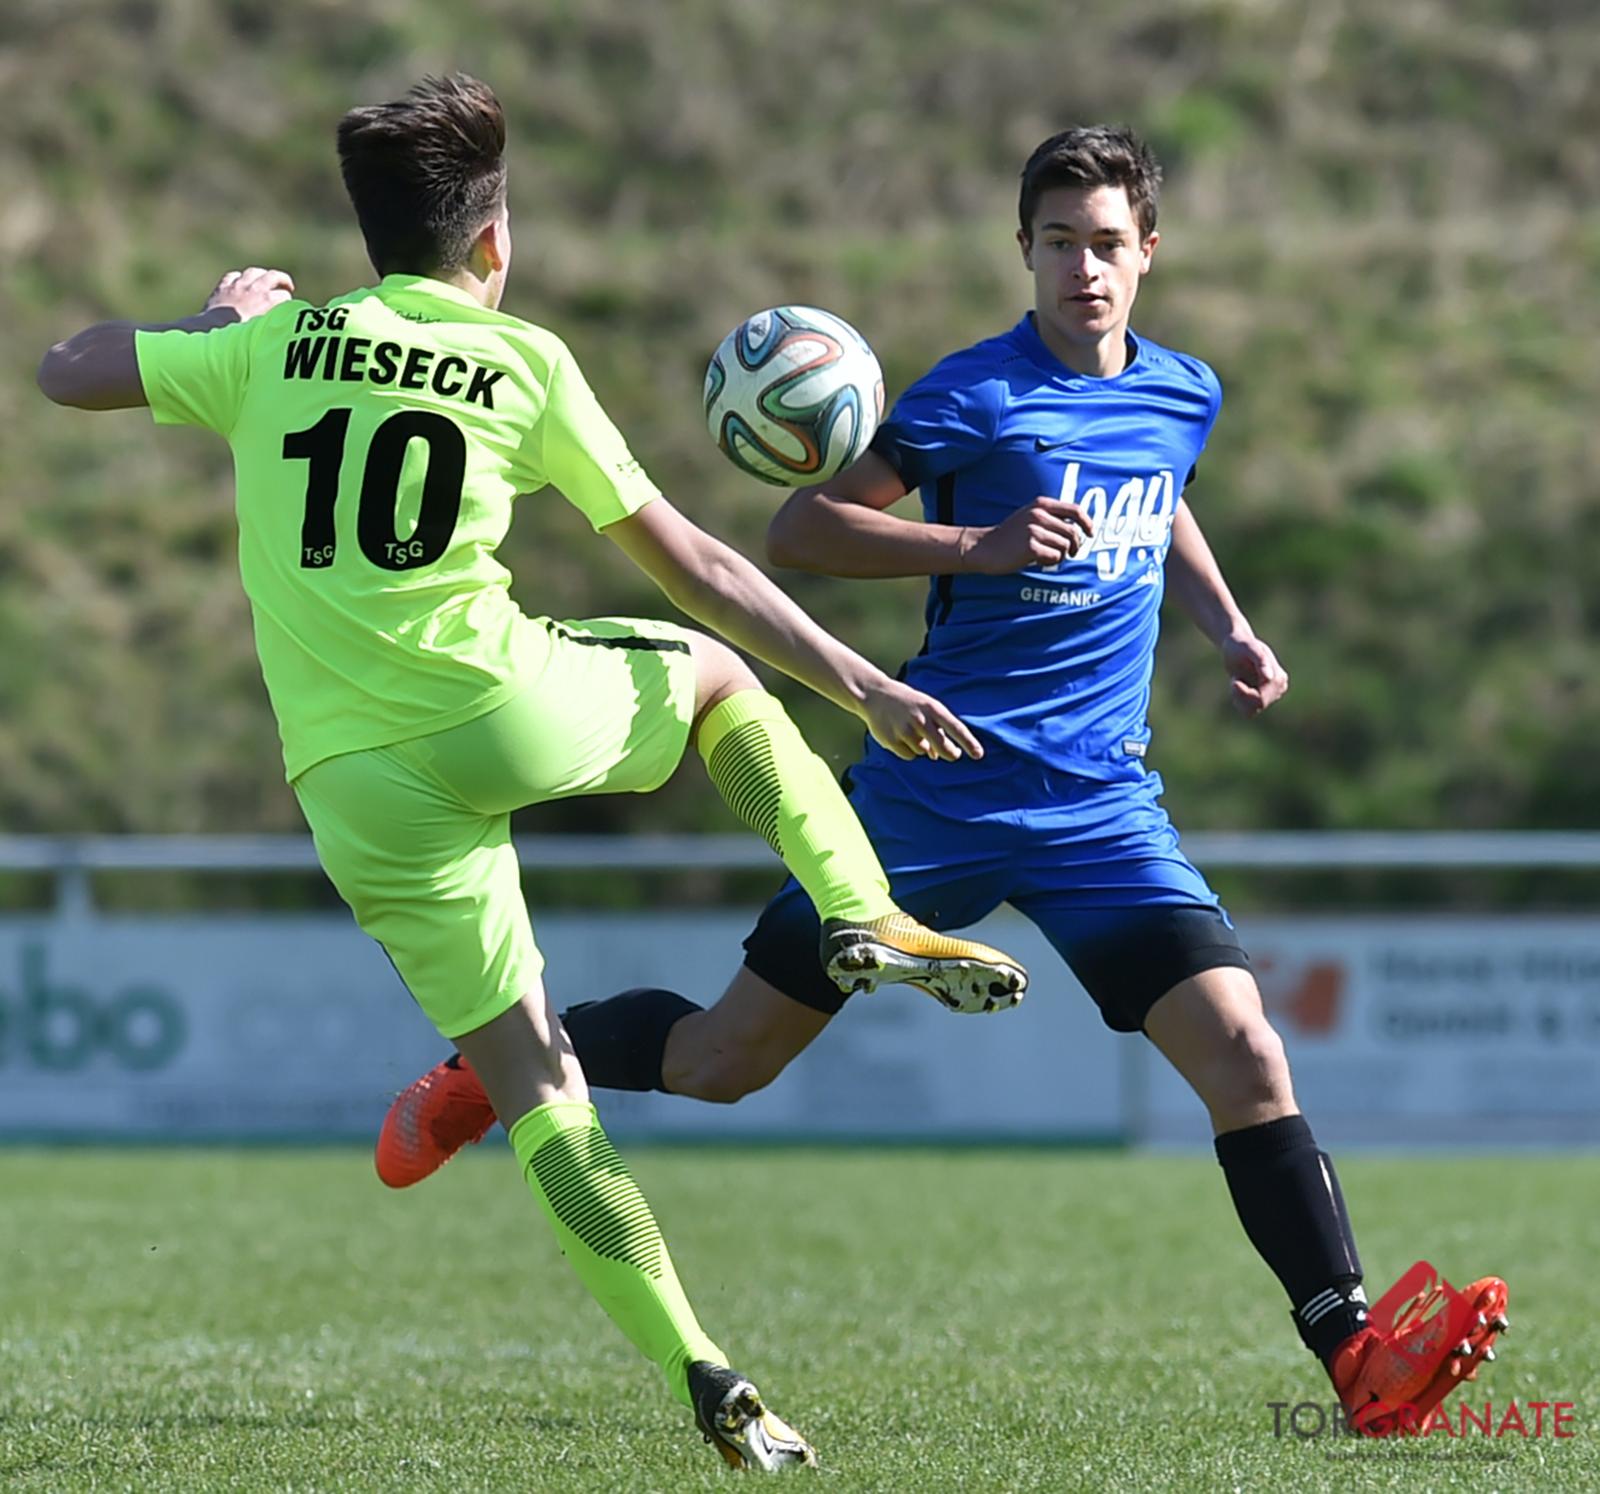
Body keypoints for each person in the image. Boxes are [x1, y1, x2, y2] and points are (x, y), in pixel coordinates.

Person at [380, 123, 1511, 1432]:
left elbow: (1161, 497)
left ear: (1150, 250)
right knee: (722, 1060)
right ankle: (499, 1064)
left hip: (1101, 813)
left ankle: (1357, 1358)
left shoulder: (1184, 390)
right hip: (935, 792)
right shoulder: (974, 393)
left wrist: (1228, 625)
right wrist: (978, 542)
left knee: (1251, 1055)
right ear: (1022, 249)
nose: (1083, 269)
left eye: (1106, 243)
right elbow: (803, 528)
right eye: (1057, 243)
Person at [34, 73, 1036, 1471]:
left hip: (353, 788)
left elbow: (66, 366)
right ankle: (862, 908)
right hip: (499, 705)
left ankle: (702, 1366)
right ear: (494, 239)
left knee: (537, 1087)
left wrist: (216, 324)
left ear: (371, 232)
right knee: (714, 675)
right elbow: (697, 564)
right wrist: (861, 683)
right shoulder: (525, 362)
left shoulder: (273, 348)